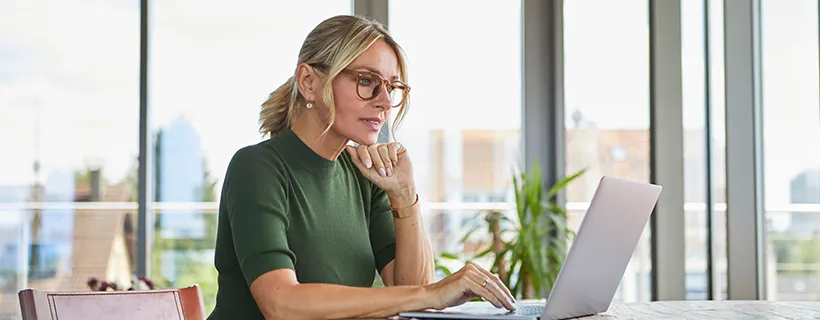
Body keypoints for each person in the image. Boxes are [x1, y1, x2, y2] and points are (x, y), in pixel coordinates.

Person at [207, 15, 516, 319]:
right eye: (366, 81)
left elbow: (414, 294)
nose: (384, 101)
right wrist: (433, 292)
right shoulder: (257, 168)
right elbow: (281, 304)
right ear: (309, 82)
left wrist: (404, 194)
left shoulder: (364, 174)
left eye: (392, 86)